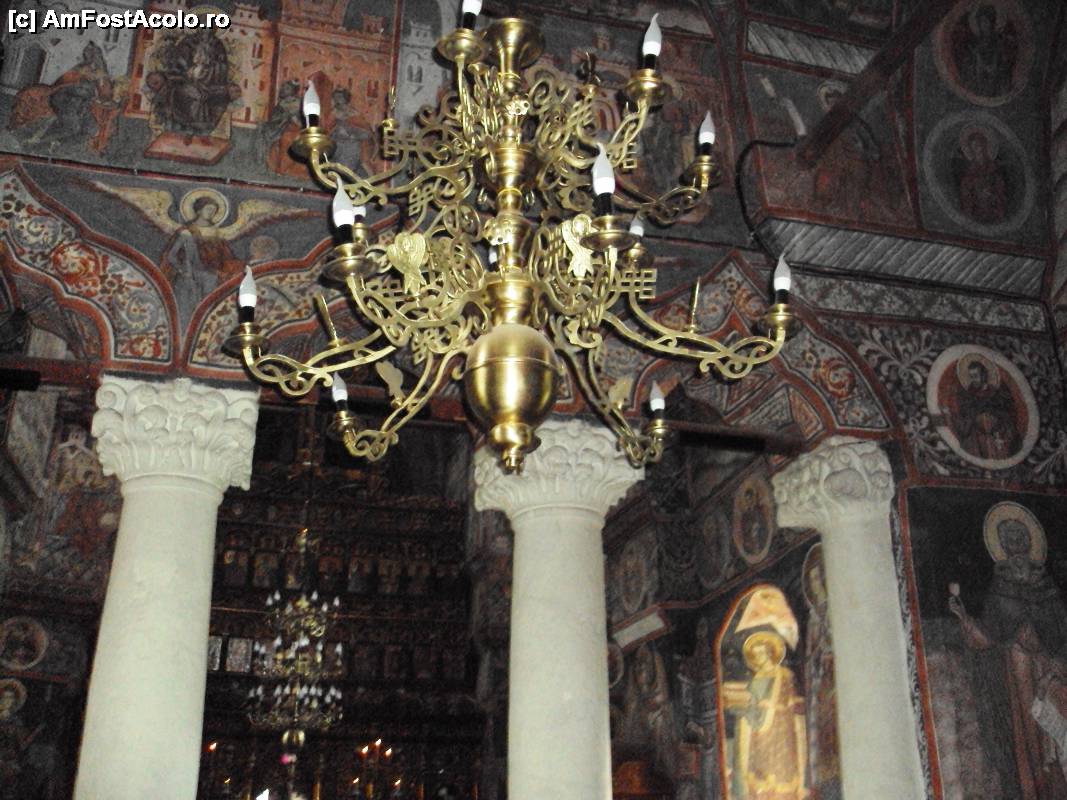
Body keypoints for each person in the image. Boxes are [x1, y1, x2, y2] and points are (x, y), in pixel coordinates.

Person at [948, 508, 1067, 799]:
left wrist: (1051, 654)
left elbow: (1063, 629)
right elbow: (988, 636)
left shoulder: (1048, 588)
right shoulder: (999, 590)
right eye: (1009, 538)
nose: (1016, 542)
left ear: (1030, 541)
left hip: (1052, 667)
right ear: (1001, 546)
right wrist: (963, 617)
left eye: (1020, 536)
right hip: (1019, 673)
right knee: (1031, 733)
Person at [736, 631, 807, 800]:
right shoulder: (756, 679)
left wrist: (774, 706)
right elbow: (752, 704)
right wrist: (753, 710)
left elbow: (792, 703)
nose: (758, 657)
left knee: (782, 763)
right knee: (762, 763)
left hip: (782, 725)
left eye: (761, 653)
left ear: (769, 653)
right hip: (760, 728)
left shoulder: (785, 675)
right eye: (755, 655)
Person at [947, 355, 1020, 461]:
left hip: (997, 429)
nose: (974, 379)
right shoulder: (968, 394)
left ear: (983, 375)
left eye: (976, 375)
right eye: (971, 376)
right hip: (977, 431)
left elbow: (1005, 411)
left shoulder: (995, 392)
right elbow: (966, 412)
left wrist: (993, 414)